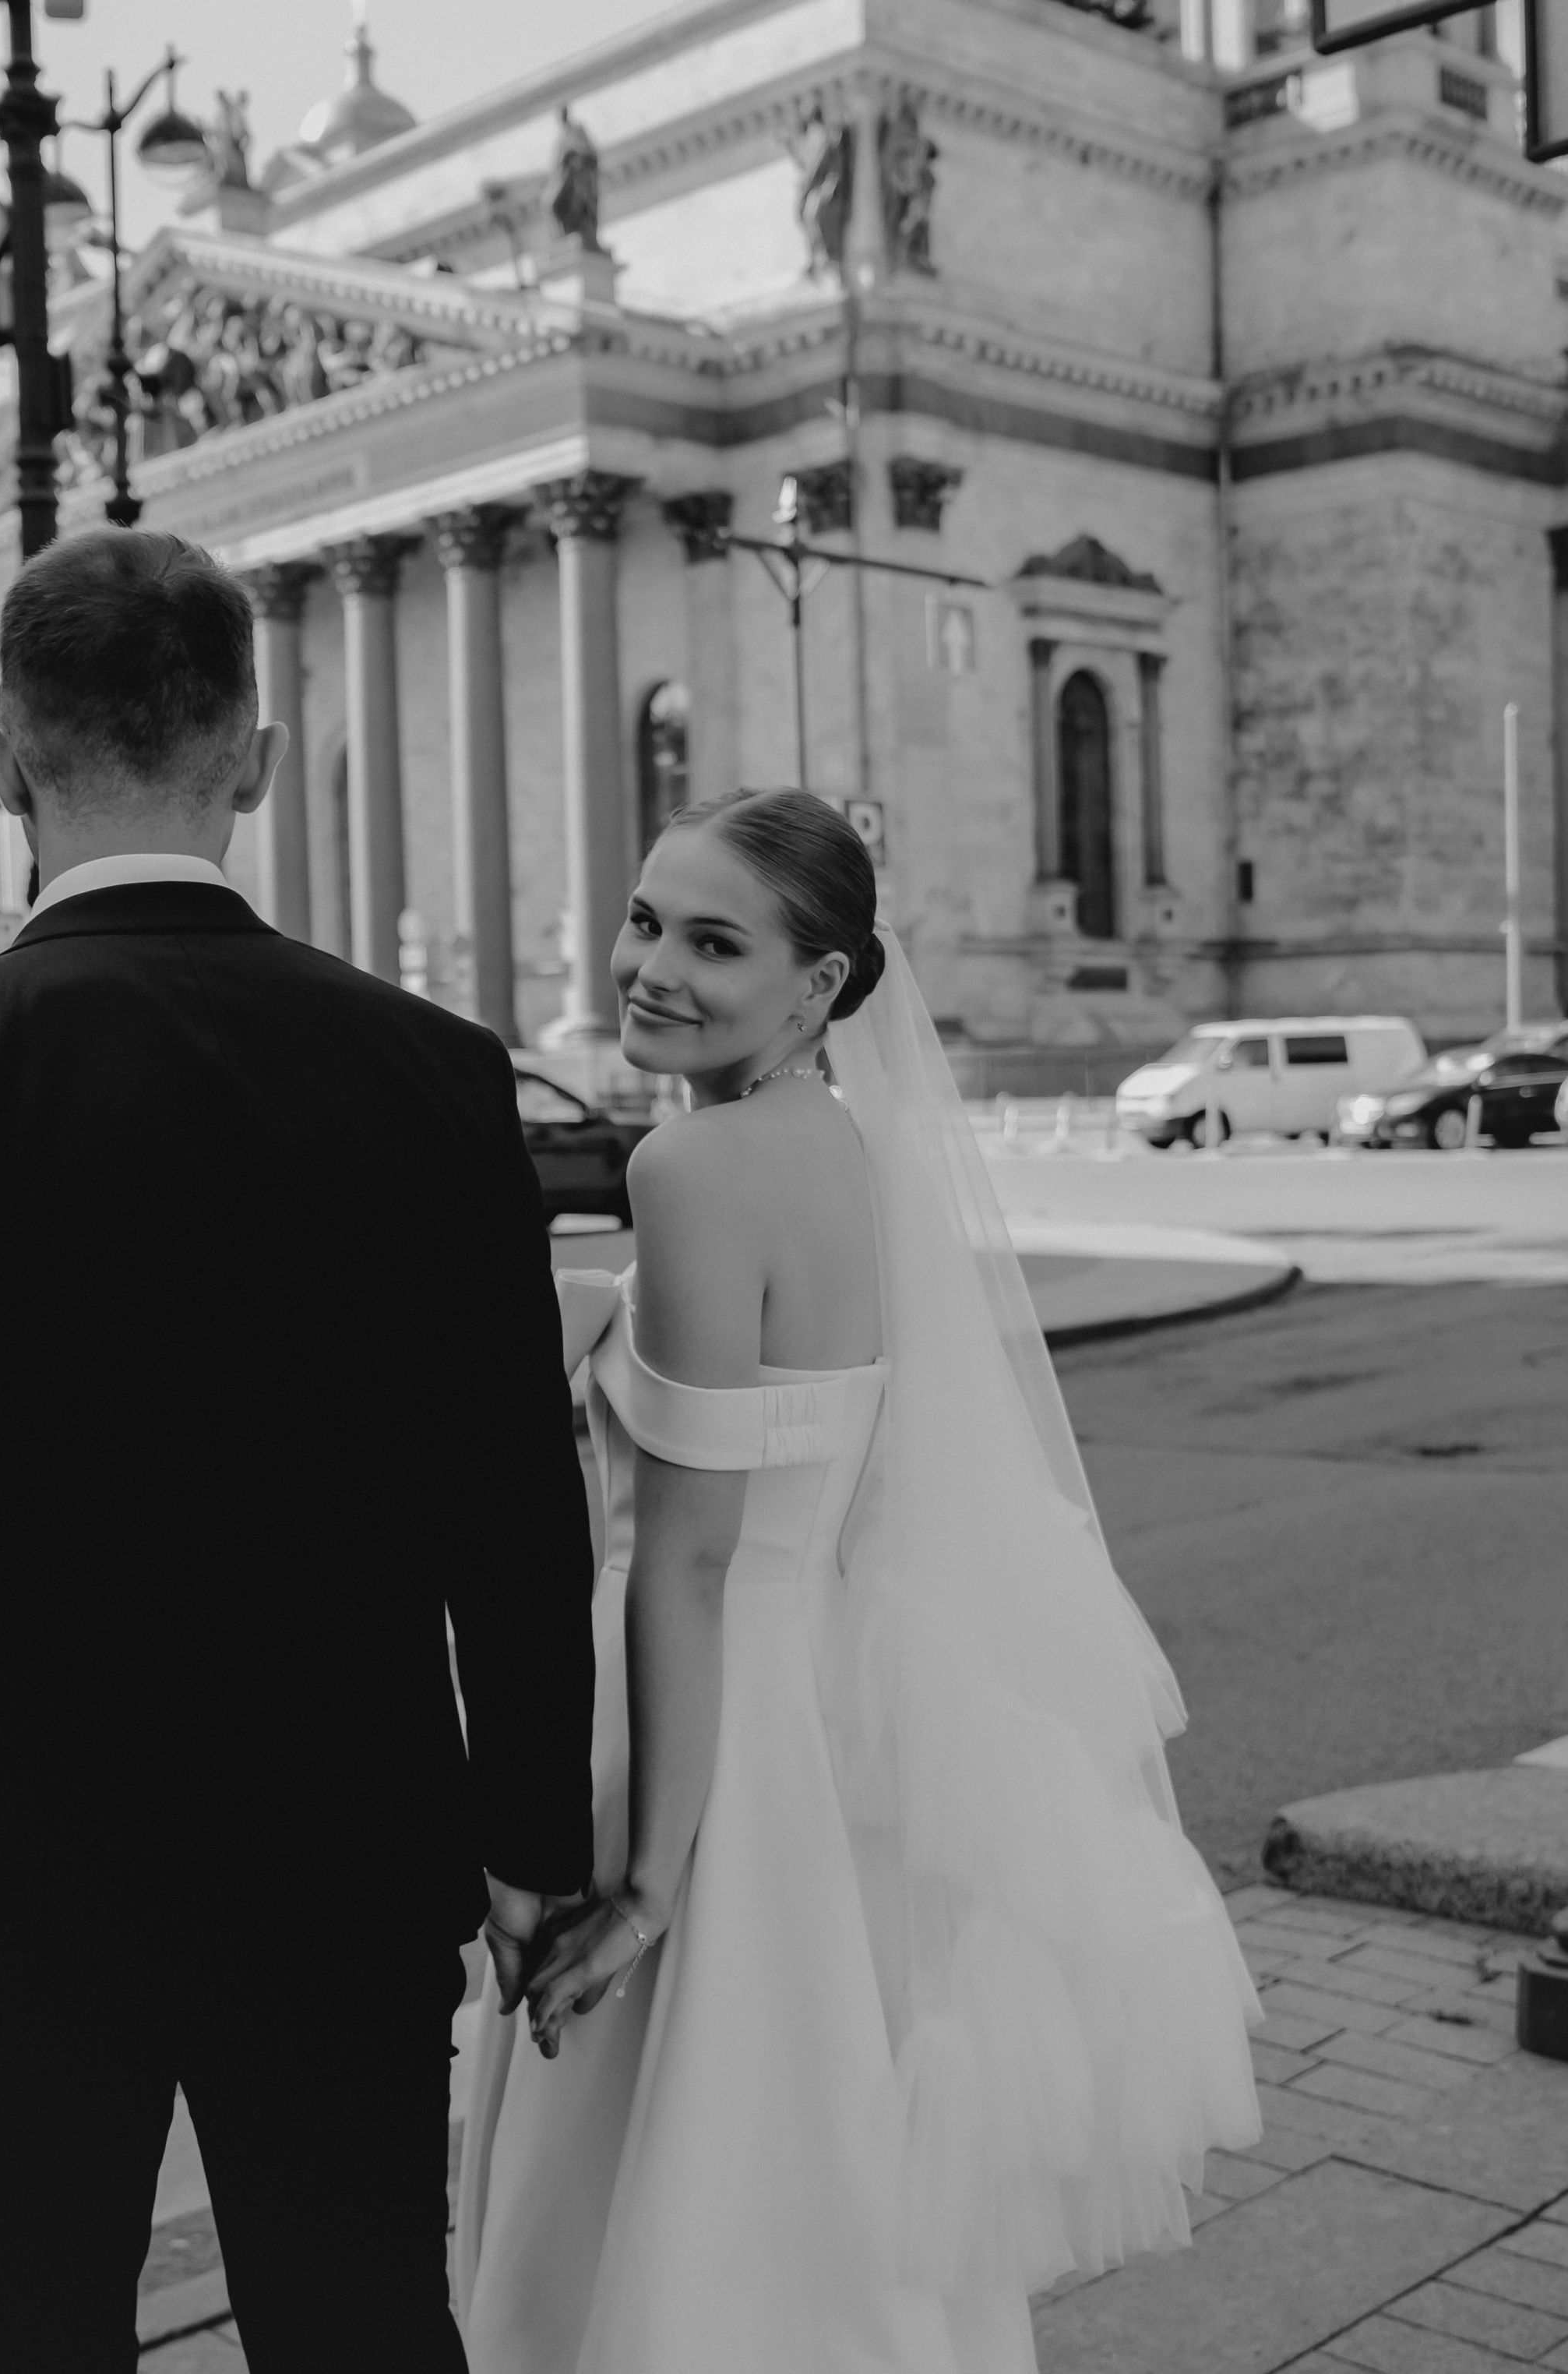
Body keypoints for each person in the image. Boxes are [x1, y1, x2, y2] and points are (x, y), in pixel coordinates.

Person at [0, 527, 596, 2373]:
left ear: (1, 757)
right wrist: (530, 1835)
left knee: (29, 2335)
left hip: (8, 1896)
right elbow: (511, 1509)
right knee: (363, 2322)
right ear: (254, 751)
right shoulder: (433, 1072)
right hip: (343, 1858)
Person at [456, 787, 1262, 2374]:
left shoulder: (688, 1165)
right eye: (642, 920)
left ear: (818, 984)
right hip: (829, 1683)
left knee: (669, 2153)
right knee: (833, 2154)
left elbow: (680, 1563)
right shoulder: (849, 1140)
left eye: (712, 941)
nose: (650, 968)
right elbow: (811, 1419)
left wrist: (647, 1884)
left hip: (706, 1723)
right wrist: (607, 1312)